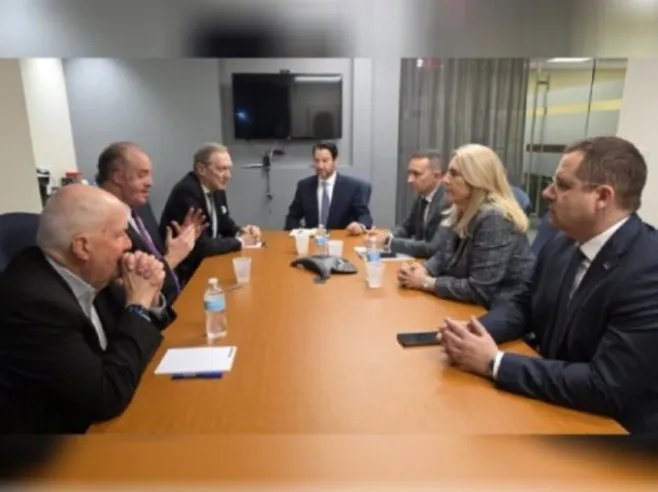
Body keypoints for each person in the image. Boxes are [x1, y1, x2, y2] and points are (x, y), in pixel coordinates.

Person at [440, 136, 658, 434]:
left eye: (562, 185)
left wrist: (495, 362)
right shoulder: (562, 243)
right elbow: (522, 304)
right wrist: (473, 333)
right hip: (555, 405)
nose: (546, 192)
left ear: (603, 197)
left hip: (619, 433)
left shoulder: (648, 271)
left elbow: (606, 385)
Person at [0, 184, 172, 433]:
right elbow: (105, 398)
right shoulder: (35, 305)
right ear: (82, 247)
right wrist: (137, 305)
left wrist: (151, 296)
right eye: (119, 235)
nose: (129, 244)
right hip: (56, 442)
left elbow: (148, 330)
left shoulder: (91, 272)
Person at [397, 144, 534, 308]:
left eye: (454, 174)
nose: (445, 180)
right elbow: (443, 255)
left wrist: (426, 282)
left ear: (477, 179)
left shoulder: (495, 218)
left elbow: (479, 290)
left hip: (503, 306)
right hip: (471, 304)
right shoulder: (461, 208)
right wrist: (423, 270)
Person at [97, 141, 203, 303]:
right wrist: (173, 257)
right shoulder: (99, 220)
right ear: (118, 177)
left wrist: (179, 243)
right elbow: (121, 291)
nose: (150, 182)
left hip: (171, 298)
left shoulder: (140, 206)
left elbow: (156, 256)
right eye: (141, 175)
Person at [159, 143, 261, 284]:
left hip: (207, 263)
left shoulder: (216, 188)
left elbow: (224, 223)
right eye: (221, 169)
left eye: (229, 169)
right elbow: (199, 246)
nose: (228, 175)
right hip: (185, 274)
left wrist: (242, 231)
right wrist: (241, 241)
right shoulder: (186, 192)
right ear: (201, 169)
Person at [369, 150, 449, 258]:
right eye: (409, 173)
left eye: (416, 174)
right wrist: (388, 235)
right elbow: (407, 227)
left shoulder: (447, 202)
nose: (409, 180)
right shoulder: (422, 196)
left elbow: (432, 247)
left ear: (437, 176)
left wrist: (389, 242)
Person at [284, 141, 373, 234]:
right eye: (317, 161)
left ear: (335, 161)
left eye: (325, 161)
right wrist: (298, 234)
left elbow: (364, 216)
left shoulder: (352, 187)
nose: (320, 166)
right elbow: (293, 216)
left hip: (341, 239)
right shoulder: (304, 186)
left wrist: (360, 226)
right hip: (312, 239)